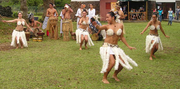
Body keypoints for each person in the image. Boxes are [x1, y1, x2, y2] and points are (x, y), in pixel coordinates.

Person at [95, 11, 138, 84]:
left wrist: (128, 46)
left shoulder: (120, 25)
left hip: (115, 47)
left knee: (122, 63)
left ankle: (115, 75)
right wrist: (96, 24)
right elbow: (100, 27)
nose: (106, 19)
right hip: (107, 46)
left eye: (108, 17)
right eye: (106, 17)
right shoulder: (107, 26)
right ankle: (104, 78)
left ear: (113, 17)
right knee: (112, 62)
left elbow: (122, 37)